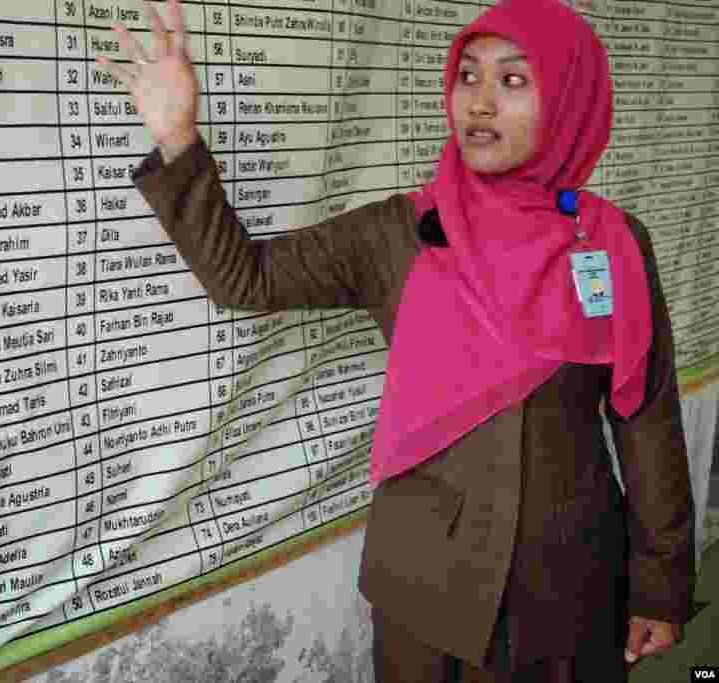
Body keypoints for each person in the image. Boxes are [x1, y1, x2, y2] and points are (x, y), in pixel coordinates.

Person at [96, 0, 696, 679]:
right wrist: (178, 138)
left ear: (569, 98)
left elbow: (645, 414)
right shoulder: (398, 235)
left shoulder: (613, 244)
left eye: (513, 80)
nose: (479, 102)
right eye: (467, 75)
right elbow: (247, 279)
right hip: (424, 599)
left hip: (571, 592)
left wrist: (660, 583)